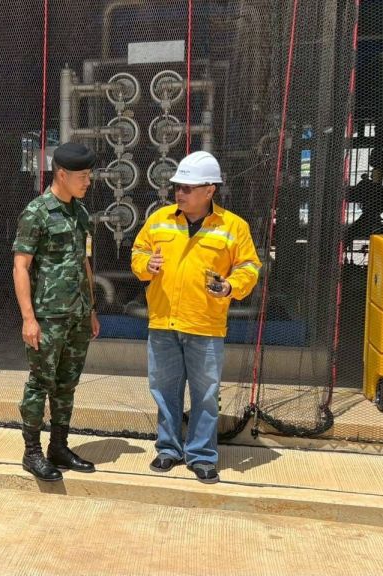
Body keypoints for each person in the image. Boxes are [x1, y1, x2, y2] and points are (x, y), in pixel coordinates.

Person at [130, 151, 261, 484]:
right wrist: (146, 265)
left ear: (209, 190)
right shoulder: (159, 219)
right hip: (163, 322)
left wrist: (231, 285)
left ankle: (202, 456)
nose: (180, 193)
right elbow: (138, 252)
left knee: (205, 395)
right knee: (165, 391)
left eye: (188, 188)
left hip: (205, 324)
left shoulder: (233, 226)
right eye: (178, 187)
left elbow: (249, 266)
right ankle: (168, 449)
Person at [11, 142, 101, 482]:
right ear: (61, 174)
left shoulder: (81, 213)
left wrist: (91, 309)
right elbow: (20, 267)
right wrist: (28, 318)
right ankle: (32, 452)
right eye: (82, 176)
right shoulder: (36, 213)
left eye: (89, 175)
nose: (87, 182)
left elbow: (85, 262)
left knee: (67, 384)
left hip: (77, 314)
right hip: (48, 316)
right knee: (40, 383)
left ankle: (59, 446)